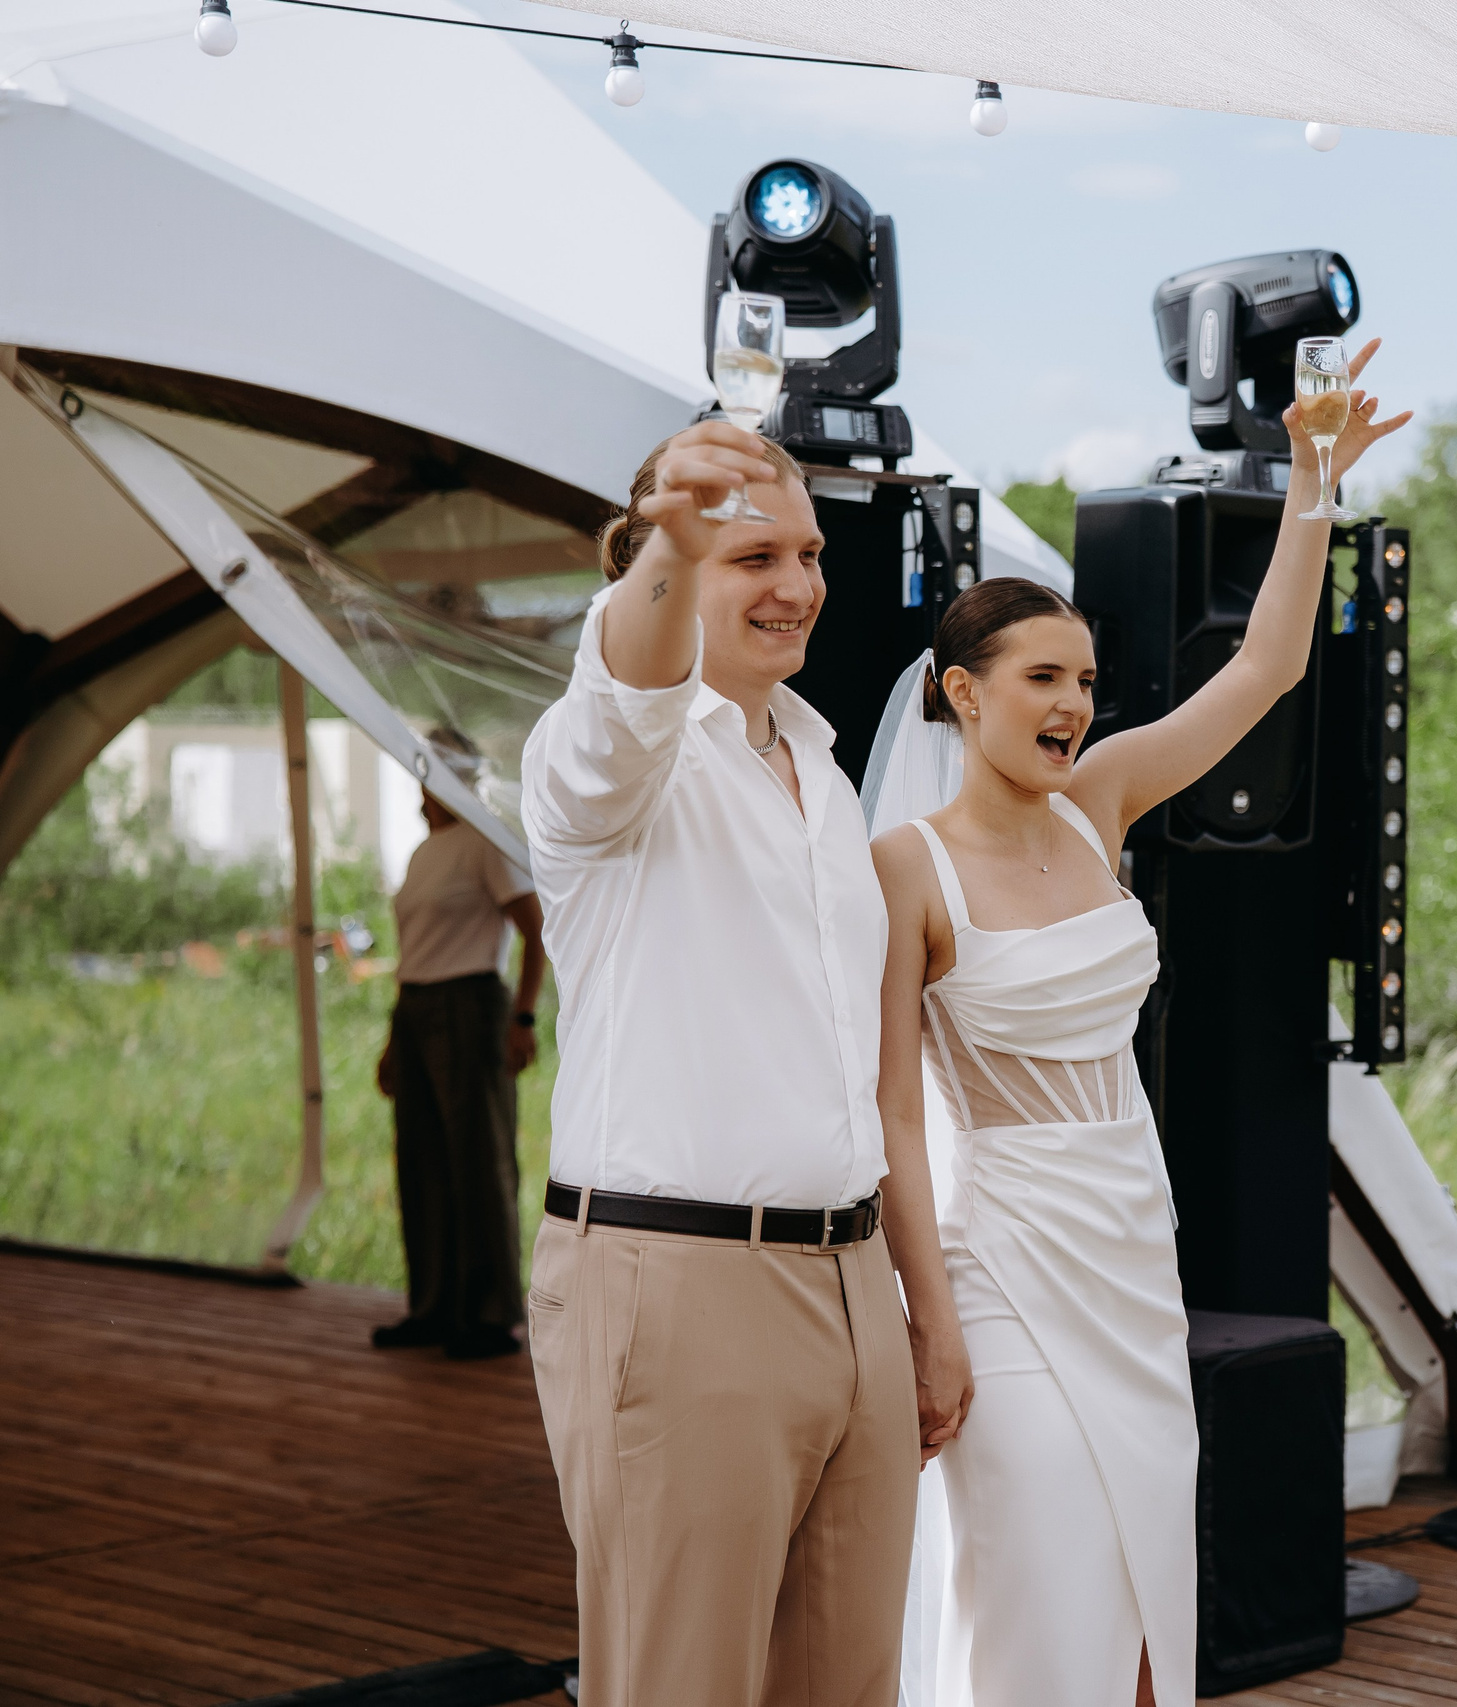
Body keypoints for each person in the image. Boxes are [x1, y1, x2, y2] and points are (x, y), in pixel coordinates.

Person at [870, 343, 1408, 1707]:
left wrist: (1311, 485)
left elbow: (1272, 666)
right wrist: (930, 1323)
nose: (1072, 704)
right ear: (960, 690)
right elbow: (890, 1113)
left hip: (1125, 1239)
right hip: (1000, 1261)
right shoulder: (904, 869)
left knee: (1146, 1589)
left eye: (1087, 678)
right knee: (1034, 1576)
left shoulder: (1098, 801)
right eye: (1041, 675)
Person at [519, 423, 966, 1707]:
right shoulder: (598, 761)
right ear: (656, 561)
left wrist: (917, 1323)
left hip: (851, 1285)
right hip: (677, 1281)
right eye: (750, 552)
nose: (798, 584)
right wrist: (675, 527)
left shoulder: (825, 776)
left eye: (811, 552)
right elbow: (630, 691)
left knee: (848, 1689)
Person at [372, 733, 547, 1361]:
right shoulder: (424, 854)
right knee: (421, 1160)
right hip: (417, 1007)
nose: (420, 788)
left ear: (455, 776)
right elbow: (412, 954)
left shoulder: (484, 842)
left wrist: (521, 1018)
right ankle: (433, 1308)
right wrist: (396, 1037)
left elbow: (536, 932)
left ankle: (491, 1316)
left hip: (471, 1003)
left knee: (478, 1160)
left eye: (429, 773)